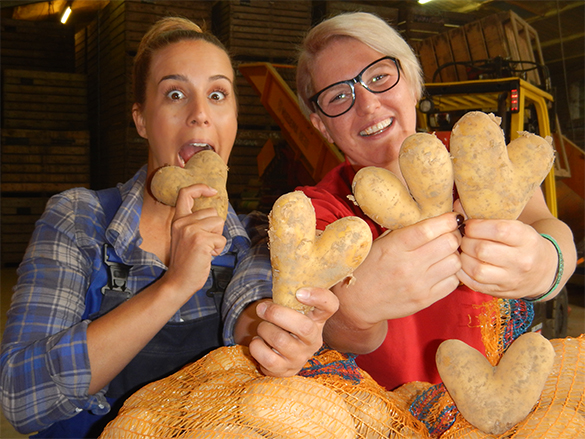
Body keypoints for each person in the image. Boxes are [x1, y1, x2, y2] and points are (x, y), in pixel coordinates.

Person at [0, 17, 338, 438]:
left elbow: (250, 310)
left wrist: (280, 337)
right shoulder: (79, 218)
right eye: (175, 94)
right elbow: (20, 396)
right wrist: (173, 285)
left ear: (233, 120)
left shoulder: (254, 237)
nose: (199, 114)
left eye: (218, 95)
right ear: (141, 120)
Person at [294, 12, 577, 391]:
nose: (367, 105)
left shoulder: (475, 155)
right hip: (388, 415)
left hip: (500, 394)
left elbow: (546, 223)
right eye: (338, 96)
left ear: (411, 82)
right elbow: (325, 329)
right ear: (321, 125)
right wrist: (355, 312)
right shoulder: (321, 208)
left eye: (378, 78)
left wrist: (548, 262)